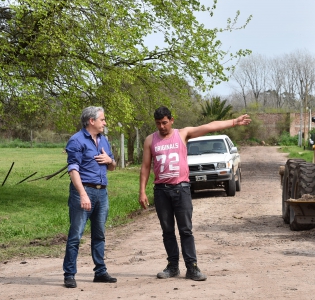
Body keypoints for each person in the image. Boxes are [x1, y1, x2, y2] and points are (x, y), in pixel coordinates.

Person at [139, 106, 251, 281]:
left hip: (181, 189)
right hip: (161, 191)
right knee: (167, 231)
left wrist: (234, 122)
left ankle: (192, 267)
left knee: (185, 230)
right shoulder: (150, 140)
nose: (161, 127)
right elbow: (145, 167)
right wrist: (142, 191)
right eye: (158, 123)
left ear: (172, 120)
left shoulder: (182, 134)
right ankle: (172, 266)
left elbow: (209, 126)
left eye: (164, 123)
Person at [63, 106, 118, 288]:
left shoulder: (104, 140)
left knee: (99, 234)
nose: (105, 122)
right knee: (76, 235)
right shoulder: (76, 141)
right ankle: (69, 274)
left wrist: (110, 161)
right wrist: (83, 194)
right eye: (102, 119)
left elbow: (112, 166)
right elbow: (73, 169)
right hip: (84, 191)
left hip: (102, 192)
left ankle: (100, 272)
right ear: (91, 121)